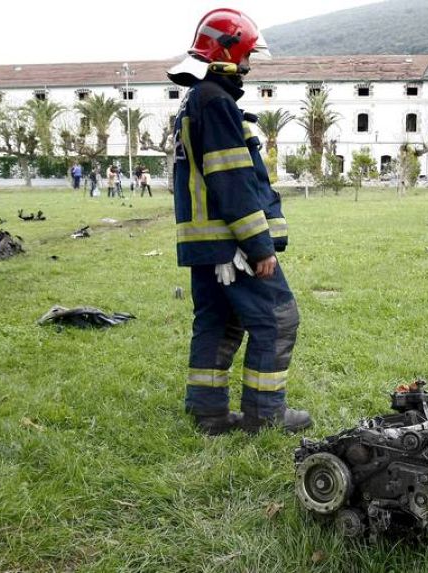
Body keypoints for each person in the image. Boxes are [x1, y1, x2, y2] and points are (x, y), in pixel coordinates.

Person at [168, 7, 310, 435]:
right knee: (277, 319)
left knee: (216, 321)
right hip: (233, 244)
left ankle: (207, 413)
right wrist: (258, 245)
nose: (247, 68)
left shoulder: (197, 101)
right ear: (225, 54)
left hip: (206, 244)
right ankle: (265, 416)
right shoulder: (216, 102)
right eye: (245, 57)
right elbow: (231, 178)